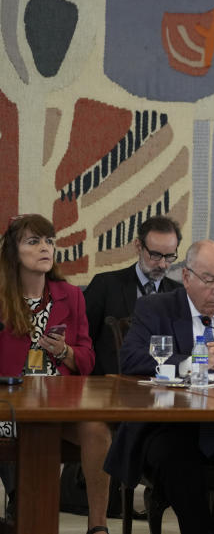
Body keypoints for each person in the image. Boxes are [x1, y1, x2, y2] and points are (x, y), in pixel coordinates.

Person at [105, 240, 214, 534]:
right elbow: (131, 358)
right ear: (187, 277)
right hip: (169, 426)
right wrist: (190, 363)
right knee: (178, 463)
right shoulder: (156, 307)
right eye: (210, 280)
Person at [0, 214, 112, 534]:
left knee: (97, 428)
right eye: (33, 241)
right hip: (10, 401)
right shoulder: (2, 298)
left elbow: (88, 359)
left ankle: (98, 526)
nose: (45, 248)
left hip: (59, 401)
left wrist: (64, 351)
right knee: (26, 433)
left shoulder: (71, 295)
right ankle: (22, 509)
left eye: (49, 241)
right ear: (13, 252)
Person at [84, 215, 183, 375]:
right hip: (109, 388)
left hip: (164, 388)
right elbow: (82, 342)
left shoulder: (178, 293)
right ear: (138, 246)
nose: (163, 264)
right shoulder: (105, 285)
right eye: (156, 255)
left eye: (170, 256)